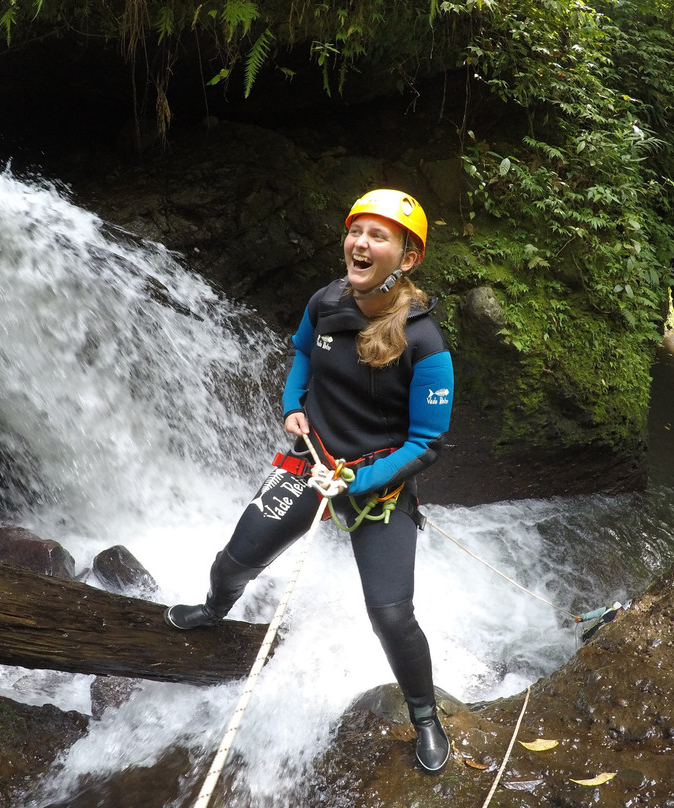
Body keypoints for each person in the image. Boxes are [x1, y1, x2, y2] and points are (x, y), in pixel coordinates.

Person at [165, 188, 454, 773]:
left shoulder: (425, 343)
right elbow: (301, 352)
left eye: (378, 236)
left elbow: (427, 444)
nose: (361, 243)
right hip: (311, 460)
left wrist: (359, 482)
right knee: (232, 563)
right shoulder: (325, 301)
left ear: (407, 257)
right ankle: (214, 609)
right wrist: (291, 402)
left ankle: (424, 713)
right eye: (356, 232)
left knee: (392, 616)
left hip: (378, 482)